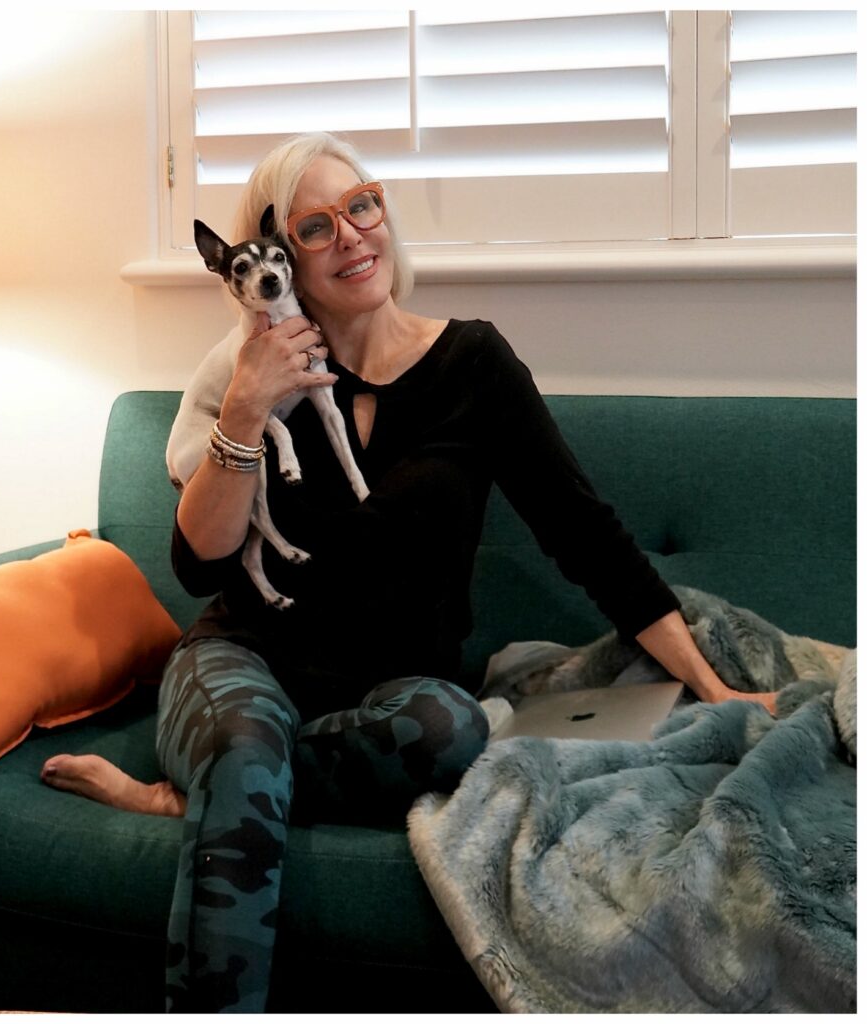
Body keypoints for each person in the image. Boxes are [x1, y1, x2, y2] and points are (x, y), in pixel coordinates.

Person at [41, 132, 778, 1012]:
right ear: (275, 258)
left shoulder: (473, 363)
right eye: (316, 227)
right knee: (244, 741)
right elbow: (199, 565)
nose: (352, 234)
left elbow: (584, 535)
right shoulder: (255, 374)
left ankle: (198, 798)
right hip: (242, 661)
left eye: (363, 205)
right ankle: (230, 785)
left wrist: (711, 683)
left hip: (392, 690)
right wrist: (245, 401)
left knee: (451, 729)